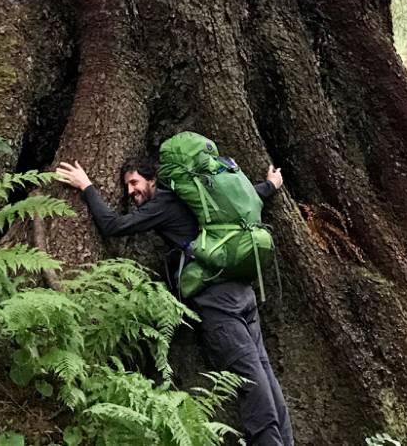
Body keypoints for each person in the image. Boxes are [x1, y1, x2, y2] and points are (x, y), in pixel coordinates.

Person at [56, 156, 294, 446]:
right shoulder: (194, 198)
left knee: (249, 380)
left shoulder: (164, 204)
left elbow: (113, 225)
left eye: (134, 183)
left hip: (217, 301)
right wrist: (270, 185)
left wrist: (87, 187)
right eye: (127, 186)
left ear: (153, 179)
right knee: (264, 373)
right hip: (243, 292)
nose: (131, 192)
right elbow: (248, 197)